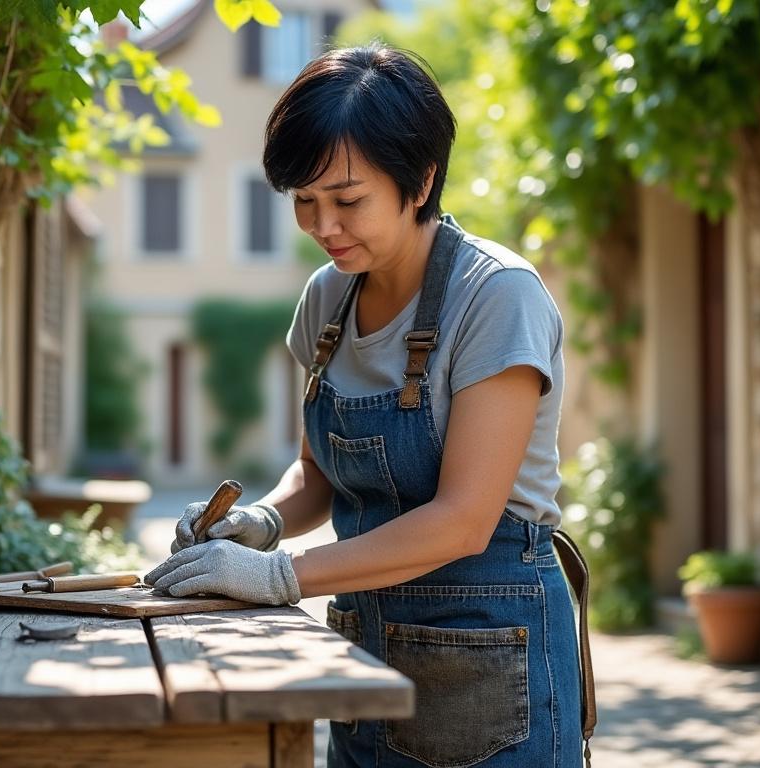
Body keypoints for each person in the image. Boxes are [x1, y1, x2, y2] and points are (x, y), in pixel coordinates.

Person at [145, 44, 584, 767]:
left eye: (348, 201)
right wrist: (260, 524)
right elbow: (316, 474)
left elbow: (465, 520)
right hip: (363, 656)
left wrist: (279, 576)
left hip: (494, 664)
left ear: (420, 181)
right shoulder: (326, 299)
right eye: (305, 203)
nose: (325, 226)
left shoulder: (498, 296)